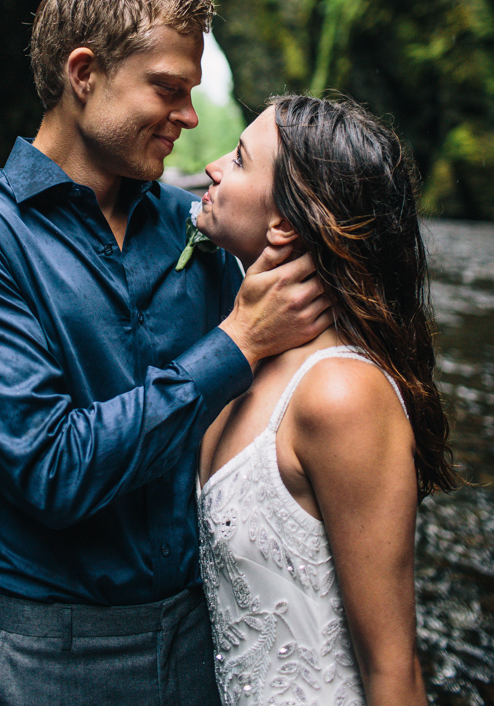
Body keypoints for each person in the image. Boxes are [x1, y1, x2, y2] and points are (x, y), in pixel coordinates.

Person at [0, 0, 331, 706]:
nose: (189, 117)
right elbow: (50, 472)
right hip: (52, 650)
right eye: (167, 88)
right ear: (82, 73)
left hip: (210, 627)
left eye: (193, 92)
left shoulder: (195, 227)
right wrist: (236, 342)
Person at [196, 94, 457, 706]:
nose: (210, 166)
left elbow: (394, 669)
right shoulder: (240, 356)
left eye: (237, 159)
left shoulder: (341, 395)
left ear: (284, 223)